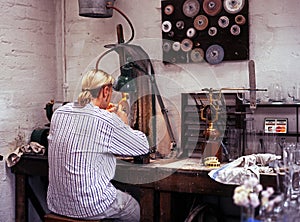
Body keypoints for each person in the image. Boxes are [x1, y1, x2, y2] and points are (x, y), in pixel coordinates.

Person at [47, 69, 150, 221]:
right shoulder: (105, 119)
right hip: (91, 205)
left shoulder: (59, 112)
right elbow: (142, 146)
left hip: (57, 204)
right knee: (133, 206)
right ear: (106, 91)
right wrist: (122, 120)